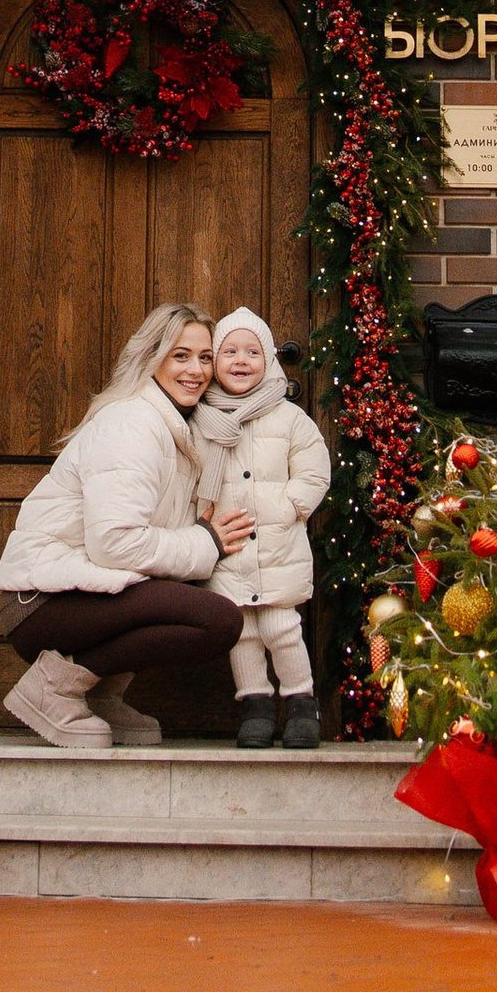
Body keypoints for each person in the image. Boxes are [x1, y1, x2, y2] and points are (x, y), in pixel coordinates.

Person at [0, 305, 252, 750]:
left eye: (206, 358)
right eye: (180, 356)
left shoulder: (175, 426)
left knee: (201, 603)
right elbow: (114, 543)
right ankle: (53, 687)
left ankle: (99, 693)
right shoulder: (132, 423)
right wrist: (203, 541)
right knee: (218, 620)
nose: (196, 371)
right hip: (42, 603)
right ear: (152, 358)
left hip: (78, 594)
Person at [192, 307, 330, 748]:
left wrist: (291, 506)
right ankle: (255, 708)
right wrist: (200, 522)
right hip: (227, 548)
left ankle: (301, 704)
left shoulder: (288, 418)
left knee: (280, 627)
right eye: (229, 351)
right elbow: (188, 473)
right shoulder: (202, 419)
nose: (241, 360)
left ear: (268, 360)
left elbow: (314, 470)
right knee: (242, 631)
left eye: (252, 351)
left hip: (276, 546)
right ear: (215, 360)